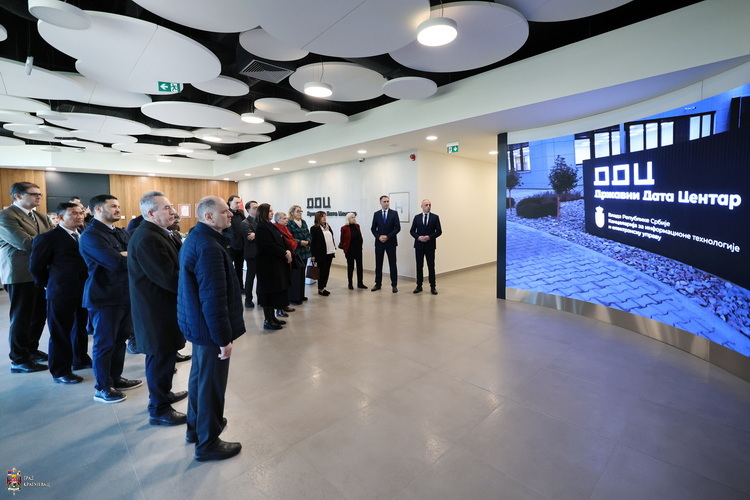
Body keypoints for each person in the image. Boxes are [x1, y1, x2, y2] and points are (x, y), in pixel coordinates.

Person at [178, 196, 244, 462]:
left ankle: (196, 428)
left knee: (200, 380)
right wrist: (223, 339)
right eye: (225, 211)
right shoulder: (209, 247)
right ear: (208, 216)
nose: (231, 214)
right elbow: (213, 299)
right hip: (209, 330)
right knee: (211, 386)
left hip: (199, 326)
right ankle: (208, 443)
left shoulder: (199, 239)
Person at [128, 191, 188, 426]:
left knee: (166, 357)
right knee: (159, 358)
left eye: (171, 206)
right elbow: (169, 277)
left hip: (163, 308)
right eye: (167, 208)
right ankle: (159, 408)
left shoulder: (160, 233)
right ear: (151, 213)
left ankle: (164, 395)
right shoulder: (147, 238)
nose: (173, 211)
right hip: (155, 310)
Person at [79, 194, 142, 404]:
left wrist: (126, 254)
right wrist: (125, 255)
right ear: (98, 209)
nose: (118, 209)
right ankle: (103, 387)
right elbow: (115, 262)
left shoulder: (120, 232)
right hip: (103, 296)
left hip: (125, 294)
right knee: (104, 343)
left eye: (118, 205)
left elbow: (137, 254)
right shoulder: (91, 236)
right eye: (113, 206)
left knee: (120, 340)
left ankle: (116, 378)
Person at [29, 202, 91, 384]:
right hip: (61, 291)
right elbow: (36, 267)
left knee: (80, 327)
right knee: (60, 331)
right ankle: (60, 370)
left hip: (84, 289)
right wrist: (48, 284)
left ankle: (80, 358)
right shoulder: (48, 238)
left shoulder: (84, 235)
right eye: (73, 213)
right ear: (60, 217)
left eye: (81, 213)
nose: (79, 216)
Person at [0, 182, 53, 373]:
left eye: (40, 194)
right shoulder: (6, 216)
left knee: (39, 315)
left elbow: (52, 239)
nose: (39, 197)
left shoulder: (41, 216)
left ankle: (31, 349)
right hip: (20, 274)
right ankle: (19, 359)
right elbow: (24, 243)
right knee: (22, 317)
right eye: (34, 194)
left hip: (41, 272)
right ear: (18, 196)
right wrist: (49, 243)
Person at [254, 204, 292, 330]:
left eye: (272, 211)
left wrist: (287, 250)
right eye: (269, 211)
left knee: (275, 291)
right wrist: (284, 253)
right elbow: (269, 245)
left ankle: (273, 317)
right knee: (268, 292)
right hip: (267, 265)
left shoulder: (270, 225)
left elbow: (282, 239)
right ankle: (268, 320)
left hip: (275, 263)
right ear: (263, 212)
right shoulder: (261, 227)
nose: (272, 213)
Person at [410, 199, 443, 295]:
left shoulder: (435, 217)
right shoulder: (417, 217)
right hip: (419, 245)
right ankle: (419, 286)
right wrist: (418, 237)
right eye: (426, 205)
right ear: (422, 206)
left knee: (431, 266)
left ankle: (433, 286)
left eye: (429, 205)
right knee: (419, 266)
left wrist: (429, 237)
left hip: (430, 245)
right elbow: (412, 231)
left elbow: (439, 231)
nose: (428, 206)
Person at [370, 195, 400, 293]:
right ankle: (378, 284)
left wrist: (388, 236)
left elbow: (397, 228)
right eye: (384, 201)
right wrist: (379, 237)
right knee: (378, 264)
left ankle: (394, 285)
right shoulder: (376, 214)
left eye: (387, 201)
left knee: (392, 264)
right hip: (379, 243)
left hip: (391, 242)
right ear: (380, 203)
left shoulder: (394, 213)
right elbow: (373, 228)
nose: (386, 203)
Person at [272, 212, 297, 318]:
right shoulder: (275, 228)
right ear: (277, 220)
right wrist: (292, 244)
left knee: (286, 283)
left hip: (288, 258)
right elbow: (288, 242)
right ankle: (280, 308)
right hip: (281, 259)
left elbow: (293, 241)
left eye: (286, 218)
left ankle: (285, 304)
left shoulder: (285, 228)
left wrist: (292, 243)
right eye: (284, 218)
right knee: (281, 284)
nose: (286, 220)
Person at [286, 204, 311, 305]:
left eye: (301, 211)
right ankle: (294, 297)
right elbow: (289, 237)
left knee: (302, 274)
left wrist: (308, 241)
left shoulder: (303, 222)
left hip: (304, 251)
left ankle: (301, 295)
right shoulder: (289, 223)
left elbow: (308, 234)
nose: (300, 213)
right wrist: (300, 242)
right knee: (295, 275)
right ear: (292, 212)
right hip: (296, 251)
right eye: (298, 211)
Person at [309, 211, 336, 296]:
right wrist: (312, 255)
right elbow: (313, 242)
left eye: (325, 216)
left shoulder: (328, 227)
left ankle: (323, 287)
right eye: (322, 216)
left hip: (330, 252)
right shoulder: (314, 228)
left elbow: (331, 238)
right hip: (320, 253)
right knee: (321, 271)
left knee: (327, 271)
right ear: (318, 218)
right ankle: (320, 289)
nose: (324, 218)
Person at [339, 212, 368, 290]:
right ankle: (350, 283)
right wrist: (345, 249)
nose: (354, 219)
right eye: (352, 217)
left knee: (360, 266)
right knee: (350, 267)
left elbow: (360, 236)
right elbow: (342, 240)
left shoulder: (357, 226)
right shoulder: (344, 228)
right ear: (348, 219)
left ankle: (360, 283)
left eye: (354, 217)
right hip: (350, 250)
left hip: (358, 249)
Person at [239, 200, 258, 308]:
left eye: (258, 207)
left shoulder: (260, 221)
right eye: (254, 207)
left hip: (261, 253)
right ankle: (248, 299)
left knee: (262, 278)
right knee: (250, 278)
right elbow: (250, 237)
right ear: (247, 210)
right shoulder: (245, 223)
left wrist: (257, 234)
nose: (257, 209)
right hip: (251, 254)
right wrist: (259, 235)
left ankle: (261, 298)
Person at [225, 195, 246, 291]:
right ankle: (228, 287)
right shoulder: (225, 213)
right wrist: (227, 242)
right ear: (230, 202)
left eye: (239, 203)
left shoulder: (241, 213)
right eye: (236, 203)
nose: (238, 205)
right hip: (230, 245)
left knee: (239, 267)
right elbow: (223, 229)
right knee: (228, 267)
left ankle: (240, 287)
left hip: (241, 245)